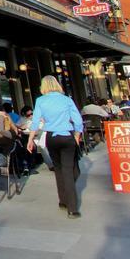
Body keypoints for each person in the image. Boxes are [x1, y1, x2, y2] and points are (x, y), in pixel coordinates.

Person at [26, 76, 84, 218]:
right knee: (69, 171)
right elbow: (78, 119)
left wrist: (30, 139)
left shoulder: (40, 100)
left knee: (59, 169)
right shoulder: (66, 99)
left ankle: (63, 201)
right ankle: (72, 208)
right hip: (67, 135)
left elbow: (35, 121)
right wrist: (77, 134)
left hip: (51, 137)